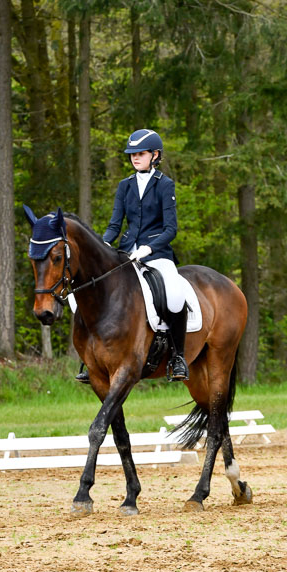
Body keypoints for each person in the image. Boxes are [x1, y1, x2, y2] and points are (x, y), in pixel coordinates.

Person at [76, 128, 189, 384]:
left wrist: (148, 248)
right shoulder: (124, 186)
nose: (135, 158)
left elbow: (171, 229)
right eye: (132, 154)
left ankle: (178, 357)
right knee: (96, 290)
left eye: (140, 153)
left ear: (155, 155)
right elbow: (115, 224)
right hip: (126, 252)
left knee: (174, 293)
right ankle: (89, 358)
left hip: (156, 253)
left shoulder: (165, 185)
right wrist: (102, 245)